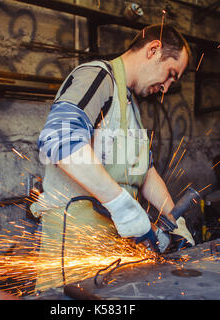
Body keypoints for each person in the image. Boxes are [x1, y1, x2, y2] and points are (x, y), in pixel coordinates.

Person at [30, 24, 194, 292]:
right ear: (154, 50)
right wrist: (122, 205)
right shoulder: (96, 76)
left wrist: (175, 220)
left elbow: (146, 171)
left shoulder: (129, 104)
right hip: (73, 248)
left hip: (108, 250)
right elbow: (58, 140)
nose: (165, 87)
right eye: (170, 75)